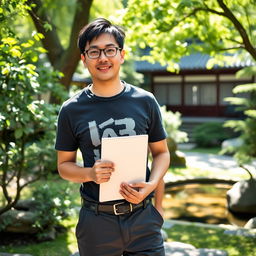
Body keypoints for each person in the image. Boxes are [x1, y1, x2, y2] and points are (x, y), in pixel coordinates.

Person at [55, 17, 170, 256]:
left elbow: (161, 153)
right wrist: (89, 173)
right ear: (84, 59)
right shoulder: (71, 109)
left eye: (110, 50)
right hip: (97, 223)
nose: (103, 58)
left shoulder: (145, 101)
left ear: (122, 55)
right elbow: (64, 166)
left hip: (143, 219)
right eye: (94, 52)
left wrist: (155, 200)